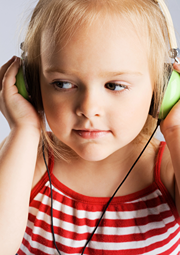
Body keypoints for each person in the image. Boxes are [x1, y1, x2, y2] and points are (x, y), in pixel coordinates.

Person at [0, 0, 180, 254]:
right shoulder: (26, 161)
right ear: (31, 86)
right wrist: (24, 130)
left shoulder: (168, 168)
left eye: (114, 85)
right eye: (62, 84)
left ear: (163, 90)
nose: (88, 107)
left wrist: (176, 130)